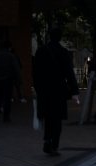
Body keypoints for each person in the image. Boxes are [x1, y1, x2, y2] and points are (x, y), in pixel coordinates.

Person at [33, 27, 80, 156]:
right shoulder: (63, 52)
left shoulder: (40, 51)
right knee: (57, 119)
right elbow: (69, 73)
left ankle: (47, 140)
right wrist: (74, 91)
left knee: (47, 117)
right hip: (58, 89)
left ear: (48, 36)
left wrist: (37, 88)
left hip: (43, 89)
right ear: (61, 38)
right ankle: (54, 146)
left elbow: (35, 72)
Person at [0, 40, 22, 122]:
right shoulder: (11, 56)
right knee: (7, 98)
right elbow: (16, 69)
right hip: (8, 79)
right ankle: (6, 117)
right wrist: (19, 80)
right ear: (9, 47)